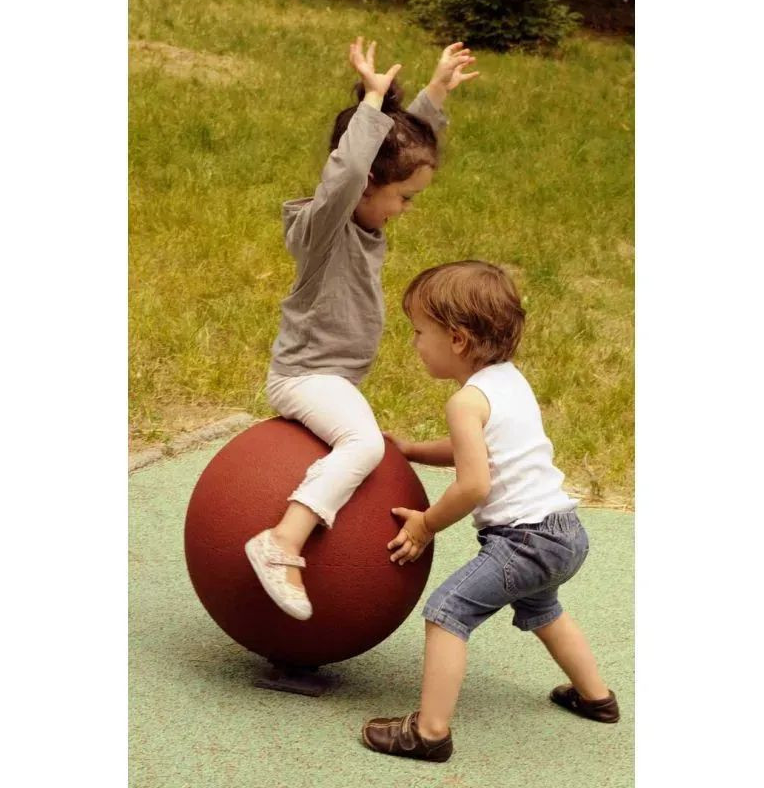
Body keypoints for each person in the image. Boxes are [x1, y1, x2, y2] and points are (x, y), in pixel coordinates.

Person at [245, 38, 480, 620]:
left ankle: (289, 535)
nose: (405, 209)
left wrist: (435, 93)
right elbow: (351, 168)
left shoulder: (368, 209)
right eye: (402, 197)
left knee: (364, 439)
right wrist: (372, 102)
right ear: (368, 183)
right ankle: (282, 541)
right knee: (364, 443)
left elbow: (395, 149)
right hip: (304, 375)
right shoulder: (323, 227)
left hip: (333, 377)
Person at [361, 260, 619, 763]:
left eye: (418, 332)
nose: (413, 343)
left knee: (446, 611)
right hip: (565, 533)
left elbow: (474, 483)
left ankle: (429, 732)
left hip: (525, 542)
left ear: (456, 339)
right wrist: (412, 449)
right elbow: (478, 450)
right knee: (544, 610)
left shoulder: (465, 401)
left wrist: (425, 522)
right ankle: (597, 698)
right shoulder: (508, 381)